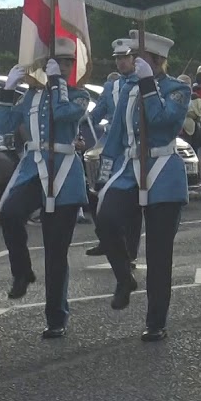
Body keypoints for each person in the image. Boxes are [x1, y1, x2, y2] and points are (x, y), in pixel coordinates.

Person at [95, 31, 191, 342]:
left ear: (157, 60)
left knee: (159, 254)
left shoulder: (177, 88)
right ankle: (125, 277)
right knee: (106, 219)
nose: (135, 61)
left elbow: (165, 122)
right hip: (130, 167)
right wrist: (105, 172)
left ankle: (156, 321)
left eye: (141, 57)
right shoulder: (128, 89)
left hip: (164, 171)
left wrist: (149, 85)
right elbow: (118, 133)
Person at [0, 40, 90, 338]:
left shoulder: (78, 95)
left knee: (55, 251)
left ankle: (56, 316)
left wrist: (59, 82)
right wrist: (8, 91)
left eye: (66, 63)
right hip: (34, 169)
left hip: (64, 173)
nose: (61, 67)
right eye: (56, 62)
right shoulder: (31, 98)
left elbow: (63, 115)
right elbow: (2, 126)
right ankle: (22, 271)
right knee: (9, 213)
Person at [85, 39, 138, 259]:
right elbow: (96, 115)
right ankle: (106, 238)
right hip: (109, 148)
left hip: (132, 147)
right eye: (117, 59)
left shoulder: (141, 82)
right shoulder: (110, 87)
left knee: (133, 202)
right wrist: (82, 114)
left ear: (134, 58)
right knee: (96, 194)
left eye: (125, 58)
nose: (121, 62)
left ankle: (130, 250)